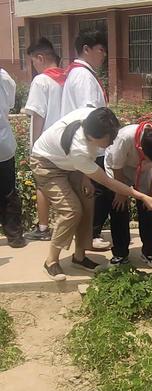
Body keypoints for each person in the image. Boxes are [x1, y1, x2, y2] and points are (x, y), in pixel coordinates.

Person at [30, 107, 152, 281]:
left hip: (71, 164)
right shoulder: (80, 150)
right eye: (110, 139)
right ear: (95, 137)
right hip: (46, 164)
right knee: (71, 211)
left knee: (87, 202)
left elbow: (87, 160)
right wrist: (143, 196)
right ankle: (51, 261)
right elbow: (109, 182)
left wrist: (85, 178)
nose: (113, 142)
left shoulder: (91, 117)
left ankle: (79, 256)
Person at [61, 29, 111, 251]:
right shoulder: (83, 76)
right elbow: (89, 116)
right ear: (86, 49)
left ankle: (89, 236)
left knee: (96, 191)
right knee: (97, 190)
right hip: (89, 147)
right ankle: (91, 235)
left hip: (87, 146)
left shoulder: (80, 73)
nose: (104, 56)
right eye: (100, 50)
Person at [104, 122, 152, 268]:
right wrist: (121, 193)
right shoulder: (124, 138)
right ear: (141, 148)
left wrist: (150, 196)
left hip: (144, 172)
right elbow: (117, 167)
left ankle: (149, 251)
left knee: (149, 208)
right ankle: (120, 254)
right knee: (118, 206)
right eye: (150, 159)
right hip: (118, 170)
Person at [23, 38, 65, 242]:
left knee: (43, 185)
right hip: (66, 144)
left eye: (33, 62)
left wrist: (34, 148)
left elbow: (37, 115)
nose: (34, 67)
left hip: (46, 145)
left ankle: (43, 228)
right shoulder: (67, 78)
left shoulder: (41, 81)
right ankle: (63, 225)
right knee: (65, 186)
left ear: (40, 58)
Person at [0, 67, 24, 248]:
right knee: (8, 191)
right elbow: (9, 104)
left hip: (4, 143)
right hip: (3, 144)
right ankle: (15, 236)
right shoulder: (4, 76)